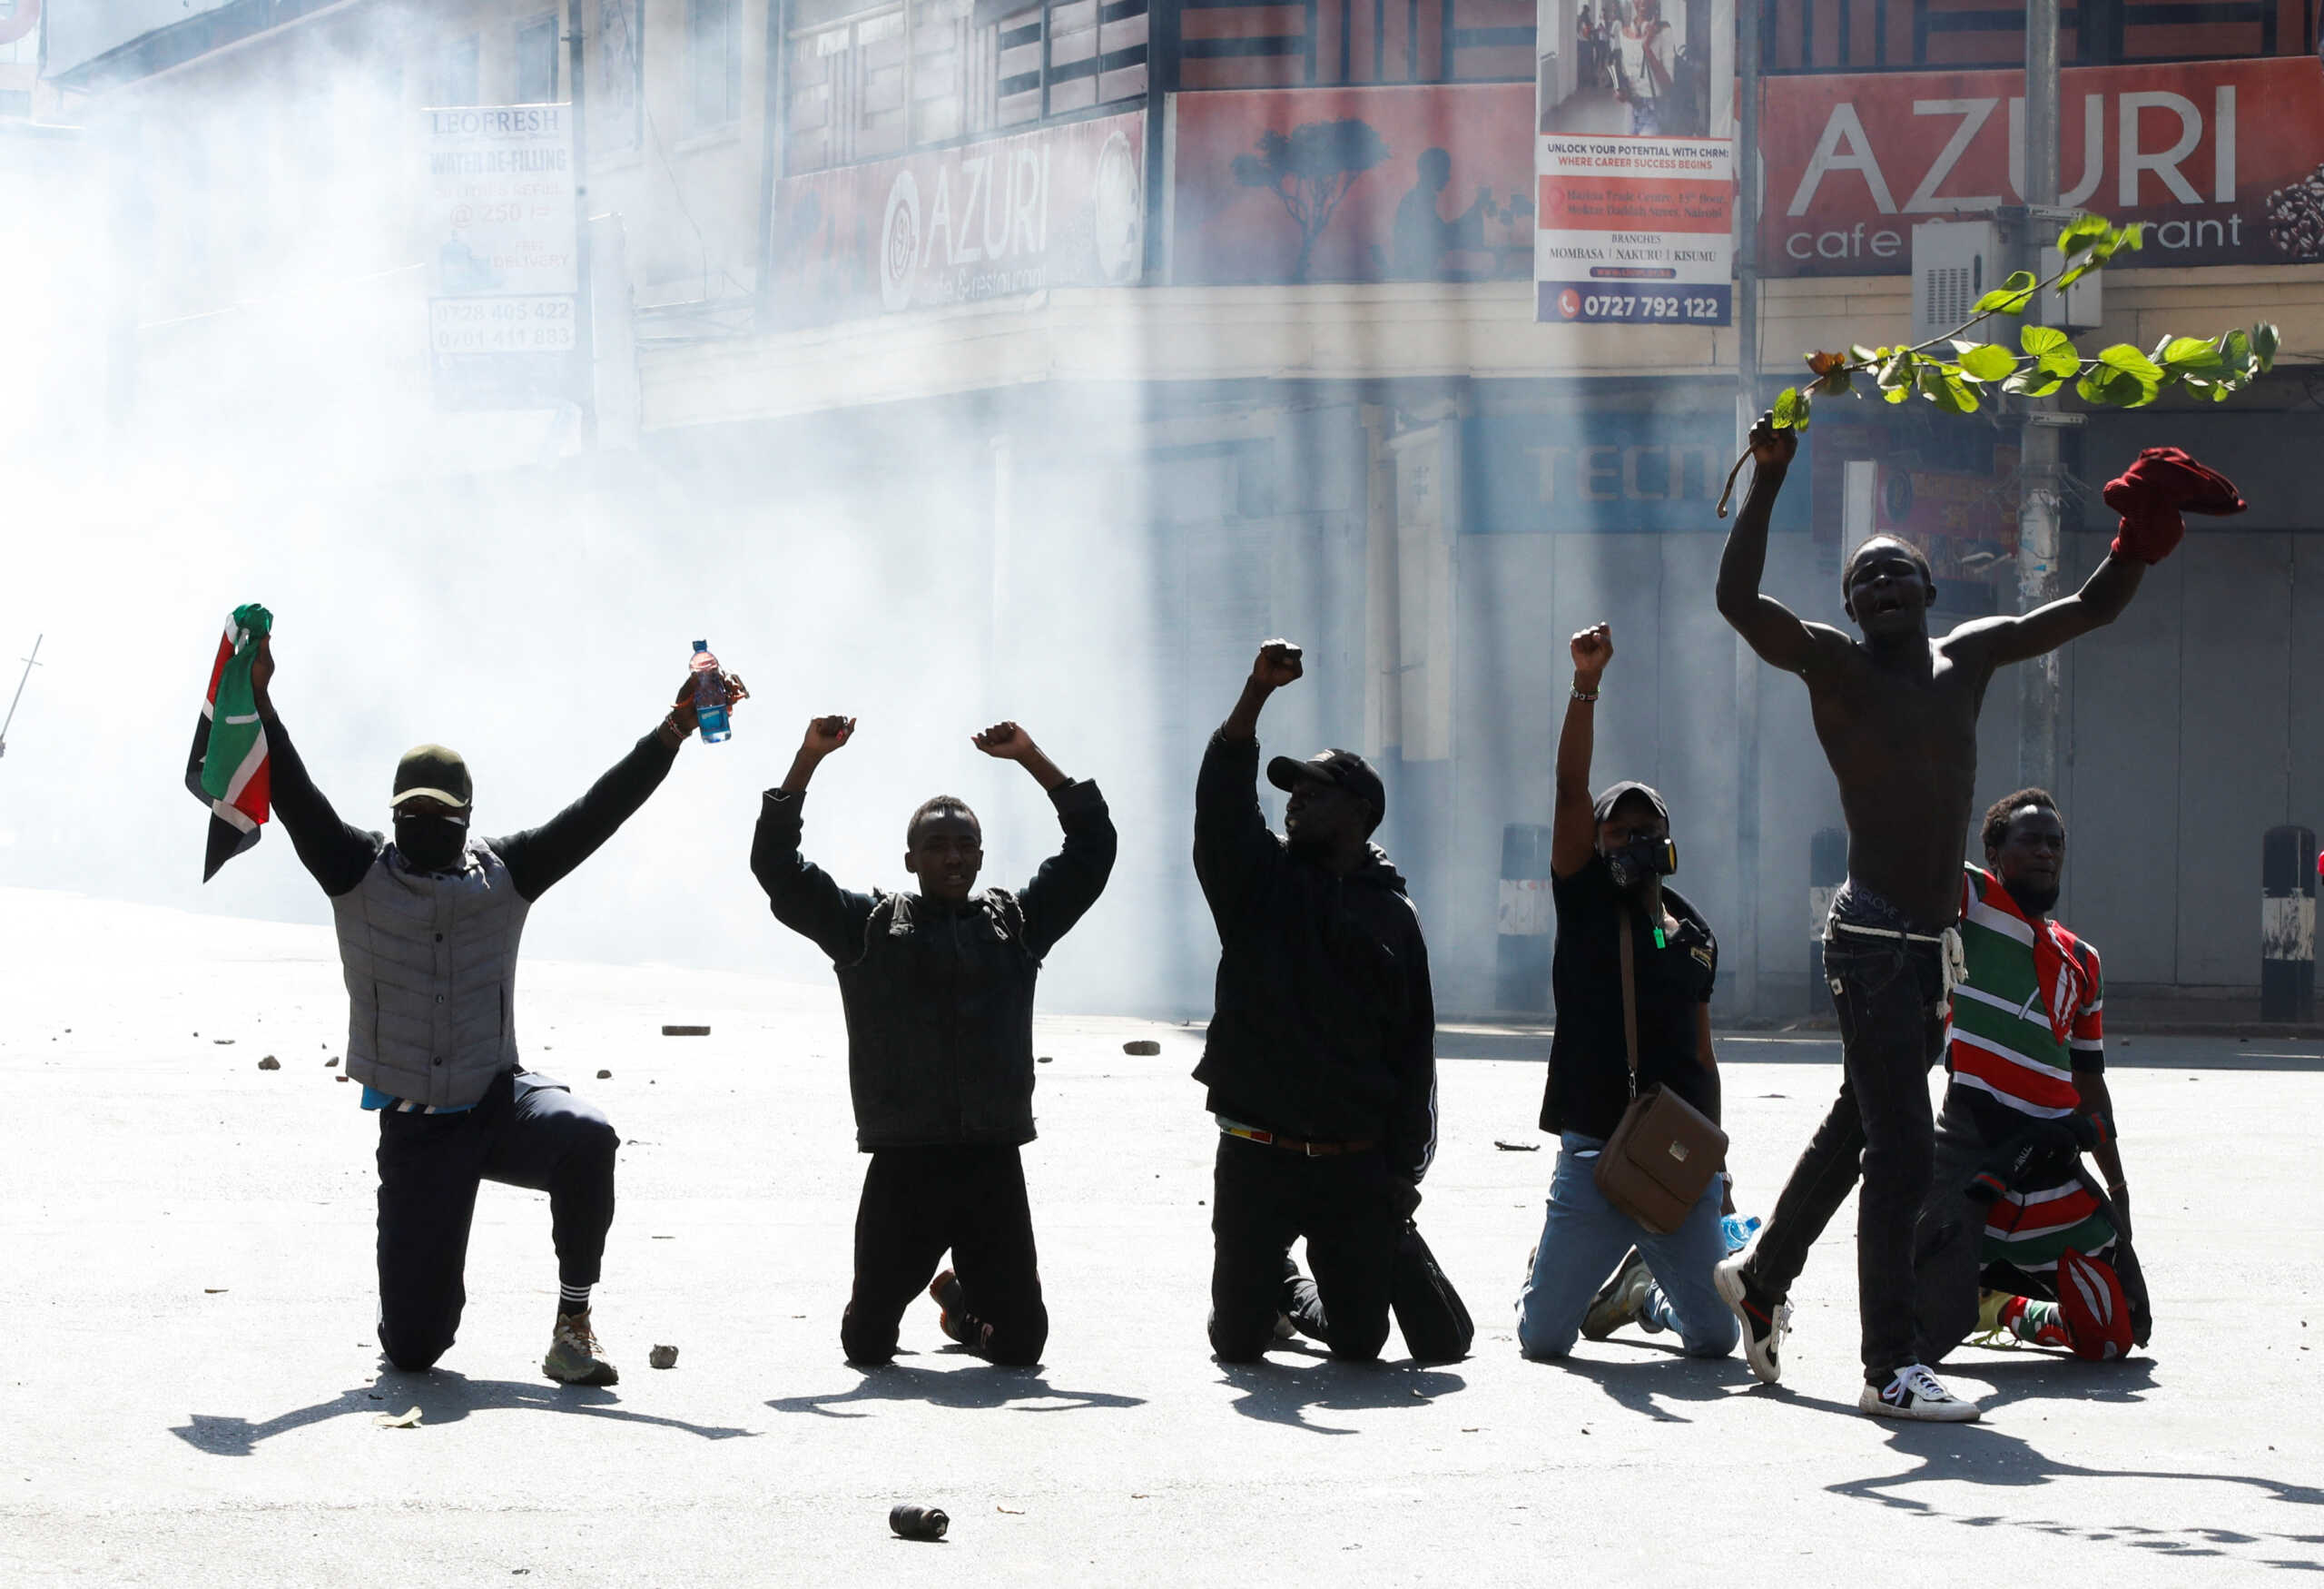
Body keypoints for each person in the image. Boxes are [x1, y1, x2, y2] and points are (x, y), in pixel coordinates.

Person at [1713, 413, 2170, 1421]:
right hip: (1873, 937)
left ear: (1929, 590)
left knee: (1860, 1117)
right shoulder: (1833, 667)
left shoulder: (1969, 656)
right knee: (1903, 1148)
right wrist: (1772, 480)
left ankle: (1761, 1273)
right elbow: (1738, 600)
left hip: (1936, 946)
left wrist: (2142, 532)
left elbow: (2090, 608)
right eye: (1861, 581)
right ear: (1848, 606)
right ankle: (1890, 1369)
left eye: (1895, 574)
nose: (1878, 588)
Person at [248, 633, 743, 1386]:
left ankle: (573, 1325)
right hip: (417, 1132)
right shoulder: (354, 870)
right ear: (393, 814)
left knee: (586, 1138)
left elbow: (598, 811)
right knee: (414, 1350)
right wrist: (255, 696)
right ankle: (421, 1286)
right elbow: (291, 788)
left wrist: (673, 729)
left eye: (442, 814)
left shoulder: (507, 873)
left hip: (495, 1099)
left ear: (469, 816)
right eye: (412, 812)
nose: (426, 825)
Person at [751, 715, 1115, 1368]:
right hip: (905, 1164)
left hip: (991, 1163)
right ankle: (910, 1293)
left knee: (1023, 1348)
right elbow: (777, 868)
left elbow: (1092, 850)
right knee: (867, 1348)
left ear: (980, 854)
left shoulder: (1016, 923)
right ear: (910, 860)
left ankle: (960, 1307)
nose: (953, 856)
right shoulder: (865, 926)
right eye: (938, 845)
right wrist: (808, 759)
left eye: (966, 845)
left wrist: (1031, 757)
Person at [1195, 639, 1439, 1364]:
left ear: (1361, 814)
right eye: (1291, 788)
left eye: (1315, 789)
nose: (1295, 798)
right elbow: (1221, 806)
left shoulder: (1395, 918)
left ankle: (1288, 1289)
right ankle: (1259, 1290)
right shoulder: (1257, 883)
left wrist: (1403, 1173)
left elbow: (1414, 1051)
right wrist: (1255, 695)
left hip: (1351, 1163)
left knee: (1362, 1342)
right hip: (1255, 1154)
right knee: (1235, 1345)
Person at [1513, 622, 1736, 1362]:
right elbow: (1570, 788)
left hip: (1674, 1152)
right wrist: (1586, 684)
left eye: (1645, 830)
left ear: (1668, 843)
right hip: (1594, 1150)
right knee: (1544, 1339)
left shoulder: (1694, 931)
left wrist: (1718, 1164)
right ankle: (1561, 1273)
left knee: (1714, 1336)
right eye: (1616, 832)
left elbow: (1702, 1054)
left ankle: (1646, 1294)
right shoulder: (1584, 906)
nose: (1630, 843)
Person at [1911, 790, 2150, 1366]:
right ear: (1994, 852)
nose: (2046, 852)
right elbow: (1920, 848)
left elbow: (2090, 1084)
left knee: (2121, 1333)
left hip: (2050, 1159)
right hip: (1973, 1144)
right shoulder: (1972, 901)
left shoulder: (2082, 962)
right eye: (2030, 840)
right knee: (1929, 1334)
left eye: (2055, 842)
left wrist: (2115, 1188)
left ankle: (2008, 1311)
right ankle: (1969, 1293)